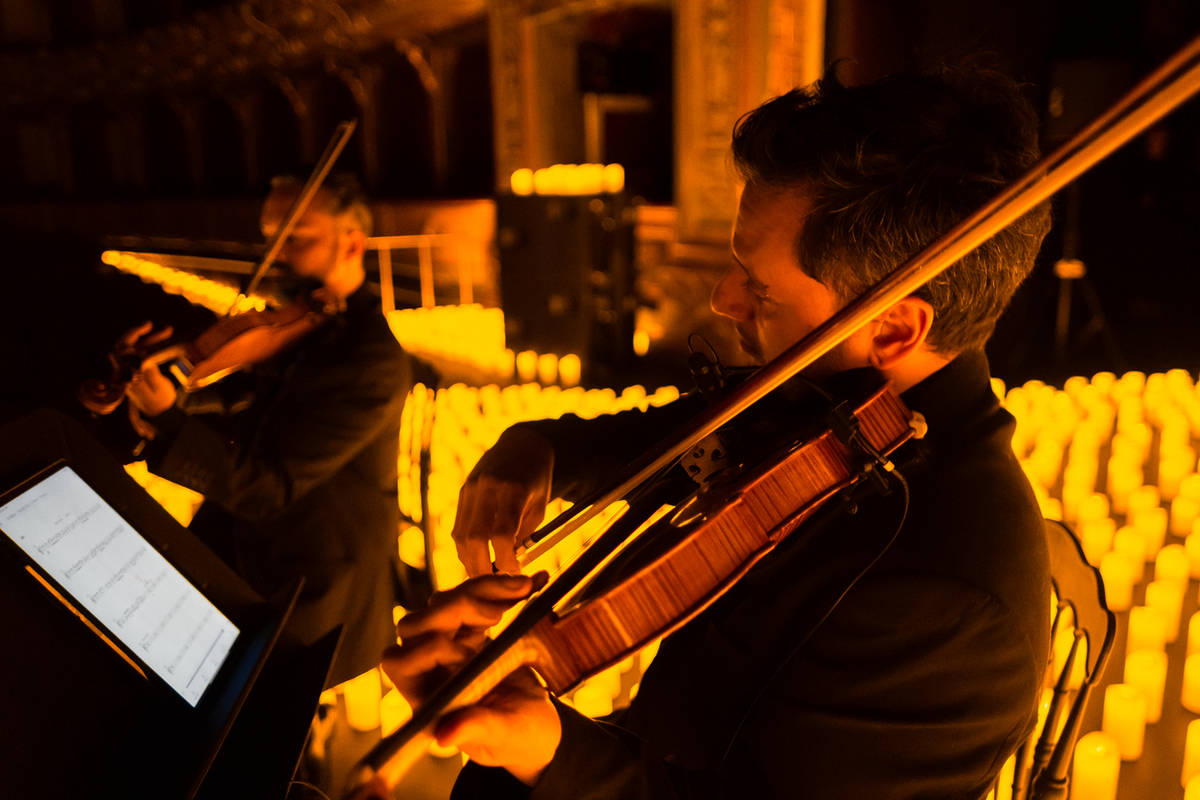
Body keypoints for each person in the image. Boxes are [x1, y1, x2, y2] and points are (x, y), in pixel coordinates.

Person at [381, 65, 1053, 799]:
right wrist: (538, 446)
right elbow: (677, 437)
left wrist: (549, 752)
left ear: (895, 324)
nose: (722, 300)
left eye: (758, 287)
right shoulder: (824, 404)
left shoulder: (943, 597)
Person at [124, 174, 415, 687]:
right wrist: (175, 385)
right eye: (270, 236)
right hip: (249, 559)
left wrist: (172, 419)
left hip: (313, 593)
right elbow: (253, 408)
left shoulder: (369, 358)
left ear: (351, 242)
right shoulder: (304, 324)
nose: (276, 251)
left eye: (296, 235)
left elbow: (270, 487)